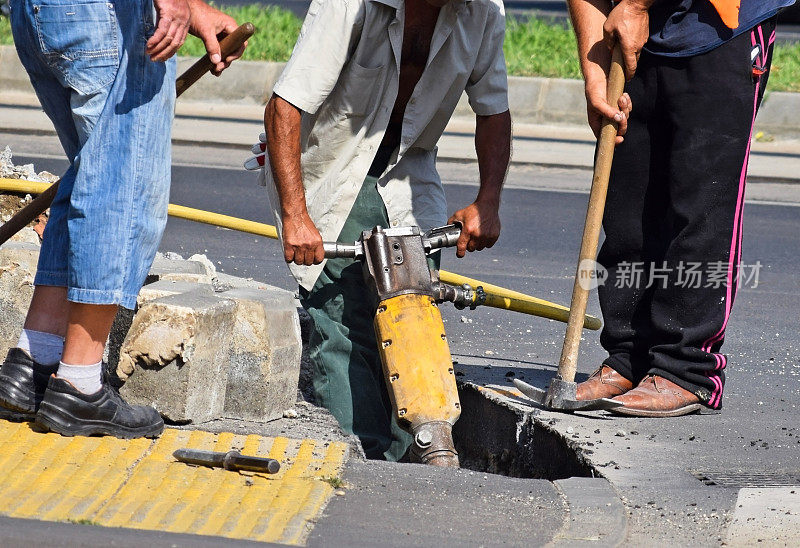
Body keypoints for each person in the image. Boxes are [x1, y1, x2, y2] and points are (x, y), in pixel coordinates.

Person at [246, 0, 511, 460]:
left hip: (409, 170)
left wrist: (488, 201)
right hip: (332, 169)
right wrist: (296, 216)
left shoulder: (482, 10)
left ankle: (414, 456)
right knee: (345, 326)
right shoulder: (349, 5)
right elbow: (284, 107)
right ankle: (356, 459)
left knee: (415, 313)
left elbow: (494, 110)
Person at [0, 0, 244, 437]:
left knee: (92, 172)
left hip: (41, 11)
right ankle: (80, 384)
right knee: (121, 185)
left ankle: (35, 358)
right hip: (103, 15)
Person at [570, 0, 795, 416]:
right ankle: (629, 357)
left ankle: (687, 369)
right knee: (628, 209)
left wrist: (636, 4)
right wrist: (596, 70)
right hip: (632, 39)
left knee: (701, 208)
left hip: (718, 29)